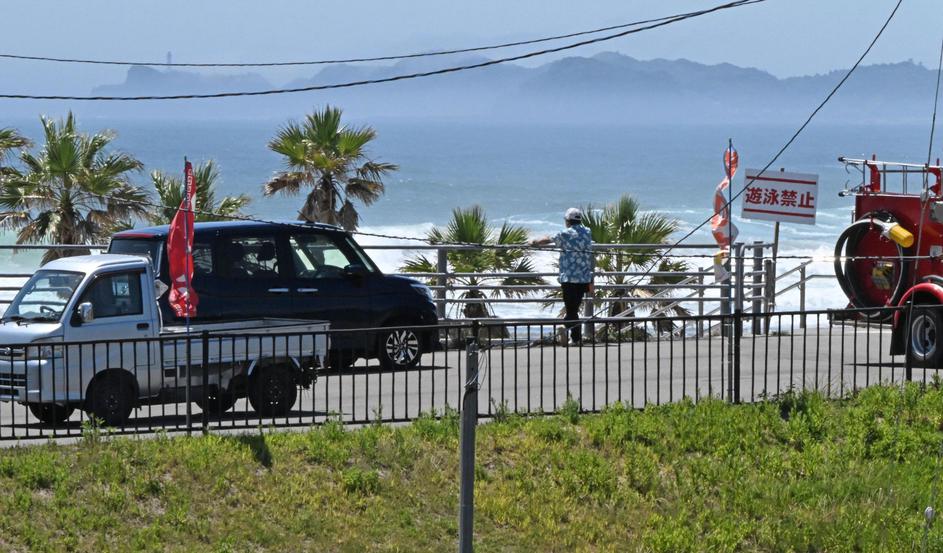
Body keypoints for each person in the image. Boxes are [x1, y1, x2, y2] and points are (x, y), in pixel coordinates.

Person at [531, 208, 595, 344]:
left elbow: (548, 239)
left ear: (567, 221)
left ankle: (567, 330)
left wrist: (534, 242)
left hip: (569, 278)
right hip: (583, 278)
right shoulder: (587, 232)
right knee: (574, 308)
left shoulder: (565, 234)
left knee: (571, 309)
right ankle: (575, 337)